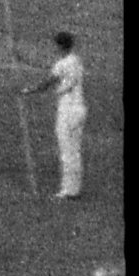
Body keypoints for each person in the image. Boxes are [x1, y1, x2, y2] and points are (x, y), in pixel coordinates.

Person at [50, 31, 90, 206]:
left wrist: (29, 90)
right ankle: (75, 188)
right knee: (75, 150)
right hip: (80, 108)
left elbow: (50, 81)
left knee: (67, 151)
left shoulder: (62, 64)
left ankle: (68, 190)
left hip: (67, 111)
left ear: (60, 46)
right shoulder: (76, 61)